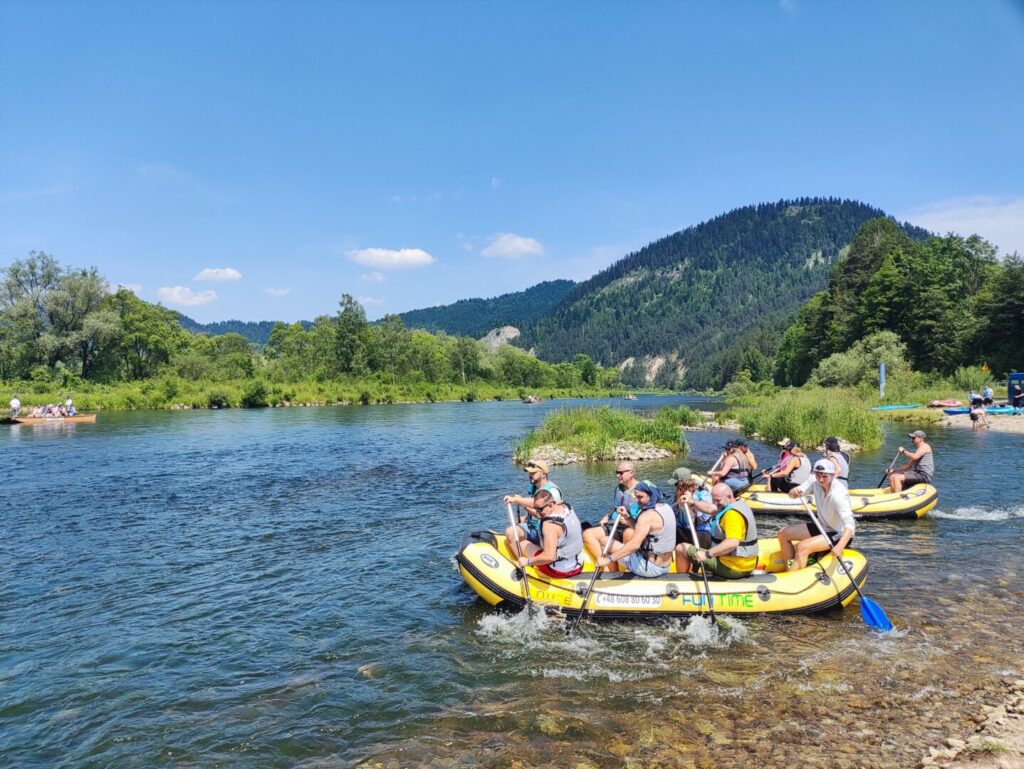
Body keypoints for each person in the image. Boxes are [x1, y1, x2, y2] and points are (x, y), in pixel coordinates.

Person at [781, 458, 855, 571]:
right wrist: (794, 492)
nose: (821, 479)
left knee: (803, 547)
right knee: (783, 534)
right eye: (818, 475)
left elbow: (850, 525)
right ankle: (790, 569)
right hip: (822, 526)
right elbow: (795, 492)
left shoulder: (838, 494)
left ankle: (792, 580)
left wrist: (839, 546)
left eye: (825, 476)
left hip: (838, 532)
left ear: (832, 475)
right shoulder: (813, 481)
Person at [676, 482, 759, 579]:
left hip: (733, 567)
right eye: (713, 500)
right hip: (746, 564)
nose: (715, 503)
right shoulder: (736, 504)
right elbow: (711, 509)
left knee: (680, 548)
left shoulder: (732, 515)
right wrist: (693, 503)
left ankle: (680, 581)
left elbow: (733, 542)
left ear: (729, 496)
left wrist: (707, 554)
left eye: (718, 500)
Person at [593, 481, 676, 577]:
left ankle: (613, 574)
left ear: (651, 495)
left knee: (604, 541)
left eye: (640, 497)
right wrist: (628, 517)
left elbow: (634, 546)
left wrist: (608, 559)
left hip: (649, 568)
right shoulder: (666, 508)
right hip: (665, 566)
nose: (636, 500)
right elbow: (640, 529)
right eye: (635, 496)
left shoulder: (646, 516)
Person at [513, 489, 584, 578]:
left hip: (560, 570)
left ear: (550, 505)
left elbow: (549, 557)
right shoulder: (565, 506)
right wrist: (517, 500)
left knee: (521, 543)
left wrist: (527, 561)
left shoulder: (549, 526)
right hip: (579, 564)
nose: (537, 512)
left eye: (539, 509)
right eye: (536, 508)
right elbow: (538, 504)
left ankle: (522, 569)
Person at [504, 459, 562, 553]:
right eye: (529, 473)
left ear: (543, 474)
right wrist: (526, 517)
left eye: (533, 473)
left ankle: (527, 561)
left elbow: (540, 514)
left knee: (511, 533)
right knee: (515, 527)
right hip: (533, 527)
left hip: (545, 530)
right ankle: (522, 558)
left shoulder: (552, 491)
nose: (530, 475)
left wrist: (518, 500)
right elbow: (535, 509)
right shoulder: (534, 488)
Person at [583, 461, 639, 556]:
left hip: (632, 527)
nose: (617, 475)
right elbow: (615, 507)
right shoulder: (619, 489)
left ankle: (626, 566)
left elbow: (648, 514)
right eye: (616, 472)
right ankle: (604, 566)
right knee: (588, 534)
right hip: (615, 525)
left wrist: (629, 520)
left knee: (629, 534)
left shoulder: (643, 490)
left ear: (631, 473)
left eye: (621, 473)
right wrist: (606, 516)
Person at [668, 467, 714, 549]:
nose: (675, 487)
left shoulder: (703, 494)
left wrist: (690, 506)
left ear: (681, 484)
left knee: (696, 538)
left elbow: (705, 517)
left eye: (676, 484)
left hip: (700, 532)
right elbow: (675, 517)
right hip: (683, 530)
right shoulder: (677, 497)